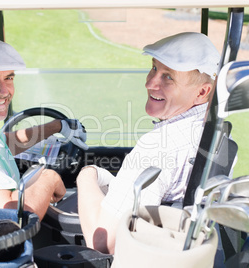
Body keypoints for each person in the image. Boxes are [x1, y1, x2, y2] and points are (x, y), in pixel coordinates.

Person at [76, 32, 220, 254]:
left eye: (168, 77)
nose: (150, 83)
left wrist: (85, 176)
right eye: (154, 68)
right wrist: (101, 175)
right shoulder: (210, 132)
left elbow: (103, 243)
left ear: (202, 92)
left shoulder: (158, 146)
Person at [0, 36, 87, 220]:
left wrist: (56, 126)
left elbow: (1, 143)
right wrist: (49, 178)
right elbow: (6, 216)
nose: (4, 91)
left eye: (8, 78)